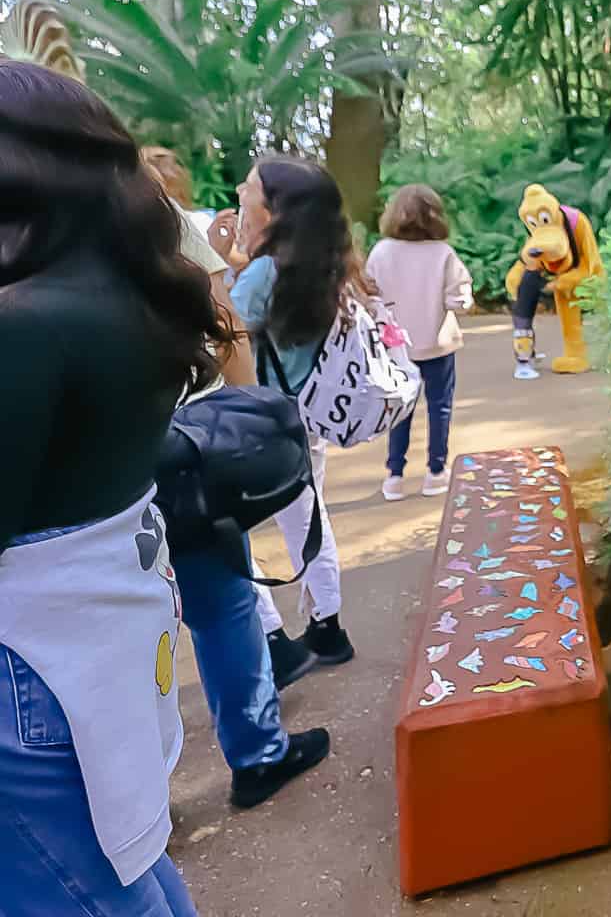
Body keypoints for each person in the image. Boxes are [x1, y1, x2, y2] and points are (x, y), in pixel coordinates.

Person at [0, 62, 218, 914]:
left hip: (30, 670)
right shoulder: (138, 297)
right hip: (107, 646)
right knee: (131, 874)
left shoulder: (23, 324)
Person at [143, 147, 332, 803]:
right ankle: (258, 755)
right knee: (223, 608)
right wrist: (253, 416)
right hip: (176, 456)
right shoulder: (153, 216)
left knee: (112, 637)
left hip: (61, 470)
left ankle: (132, 805)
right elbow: (227, 326)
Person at [229, 157, 357, 671]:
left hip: (261, 422)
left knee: (225, 528)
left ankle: (273, 636)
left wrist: (216, 266)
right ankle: (327, 625)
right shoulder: (324, 262)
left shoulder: (265, 272)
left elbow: (224, 331)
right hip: (307, 416)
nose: (241, 191)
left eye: (251, 187)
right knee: (308, 519)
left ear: (274, 208)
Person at [366, 184, 473, 501]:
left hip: (396, 347)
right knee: (440, 407)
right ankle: (435, 473)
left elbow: (370, 298)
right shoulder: (443, 253)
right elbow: (459, 300)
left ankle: (395, 476)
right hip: (437, 343)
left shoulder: (382, 251)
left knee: (400, 408)